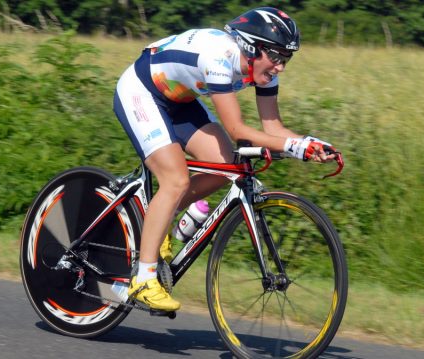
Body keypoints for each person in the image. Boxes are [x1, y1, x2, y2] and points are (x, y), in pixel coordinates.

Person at [112, 7, 337, 312]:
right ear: (250, 47)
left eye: (287, 58)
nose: (281, 67)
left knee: (225, 167)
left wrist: (309, 144)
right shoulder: (219, 58)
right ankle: (143, 278)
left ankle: (159, 222)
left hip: (181, 101)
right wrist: (294, 147)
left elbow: (273, 128)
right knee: (175, 179)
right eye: (277, 56)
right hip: (142, 92)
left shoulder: (264, 70)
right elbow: (237, 129)